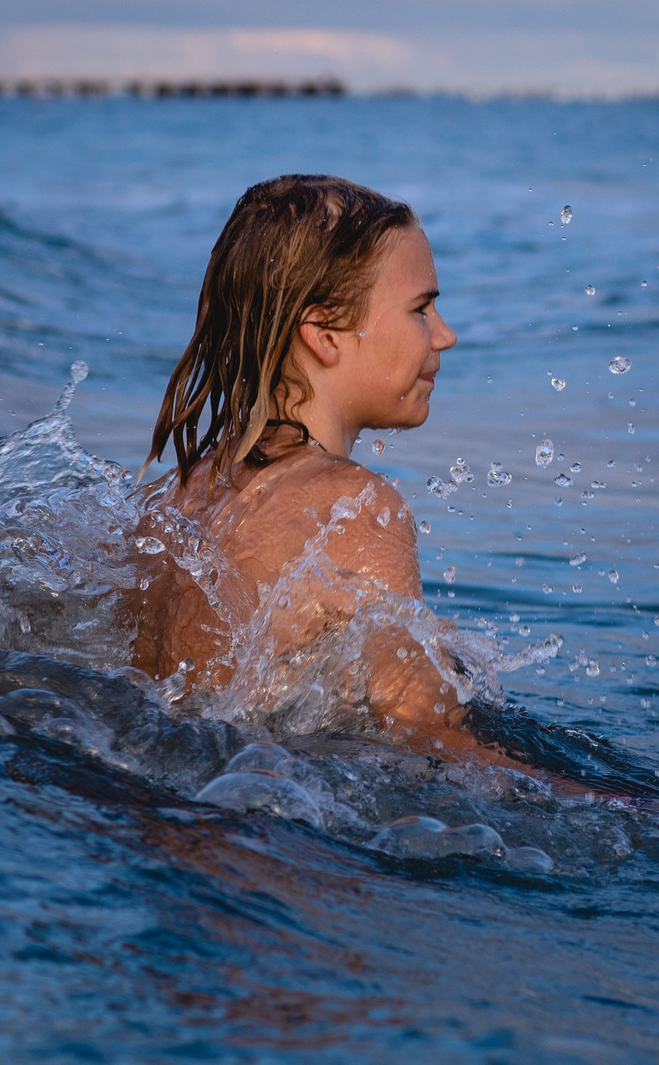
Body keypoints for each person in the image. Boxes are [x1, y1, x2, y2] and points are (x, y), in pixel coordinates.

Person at [126, 174, 513, 765]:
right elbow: (430, 741)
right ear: (324, 332)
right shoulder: (354, 510)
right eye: (421, 308)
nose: (446, 335)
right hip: (249, 829)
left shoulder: (172, 499)